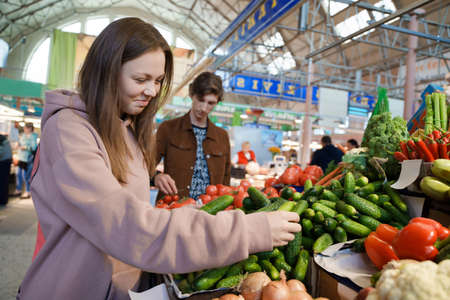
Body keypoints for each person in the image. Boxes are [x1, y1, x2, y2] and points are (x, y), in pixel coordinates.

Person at [17, 18, 301, 300]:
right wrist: (245, 231)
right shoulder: (68, 130)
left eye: (158, 81)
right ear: (105, 71)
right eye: (140, 79)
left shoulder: (127, 128)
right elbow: (125, 224)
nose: (152, 91)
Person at [154, 71, 230, 200]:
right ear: (191, 95)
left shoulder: (222, 136)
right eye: (200, 100)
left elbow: (226, 178)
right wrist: (156, 176)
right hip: (173, 207)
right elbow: (145, 164)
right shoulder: (168, 129)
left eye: (211, 103)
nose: (204, 108)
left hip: (210, 212)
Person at [14, 122, 38, 199]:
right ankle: (18, 189)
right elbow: (20, 142)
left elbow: (34, 148)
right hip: (21, 158)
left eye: (25, 128)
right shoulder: (23, 135)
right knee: (18, 174)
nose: (24, 129)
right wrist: (18, 144)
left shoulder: (33, 137)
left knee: (26, 176)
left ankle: (28, 191)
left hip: (28, 158)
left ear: (30, 128)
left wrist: (25, 147)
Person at [0, 134, 12, 205]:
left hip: (3, 163)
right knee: (4, 181)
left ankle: (2, 200)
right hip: (6, 162)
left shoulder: (1, 140)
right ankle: (3, 200)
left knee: (2, 182)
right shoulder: (4, 139)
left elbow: (0, 152)